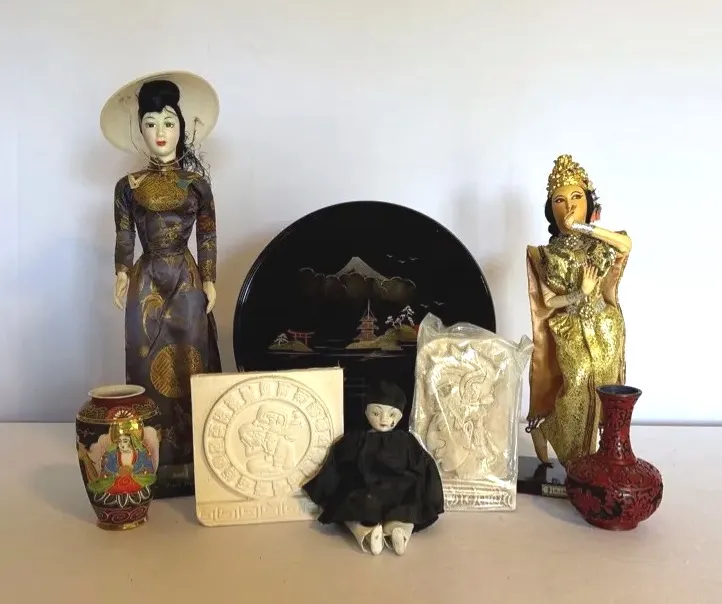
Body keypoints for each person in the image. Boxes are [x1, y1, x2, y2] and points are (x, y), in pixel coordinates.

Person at [100, 72, 222, 497]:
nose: (160, 132)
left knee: (192, 361)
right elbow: (124, 236)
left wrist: (209, 279)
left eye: (168, 122)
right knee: (144, 364)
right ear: (140, 129)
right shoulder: (128, 187)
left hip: (187, 281)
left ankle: (198, 463)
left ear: (181, 127)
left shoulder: (196, 185)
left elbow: (207, 235)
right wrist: (121, 272)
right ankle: (150, 462)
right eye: (150, 123)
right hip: (146, 281)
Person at [526, 154, 632, 467]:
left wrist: (584, 228)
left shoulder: (599, 243)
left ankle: (601, 454)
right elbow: (548, 302)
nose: (569, 207)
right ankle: (571, 453)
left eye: (577, 197)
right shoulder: (546, 254)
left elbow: (626, 245)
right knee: (576, 386)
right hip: (572, 328)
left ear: (588, 202)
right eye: (559, 201)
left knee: (605, 390)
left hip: (605, 326)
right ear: (551, 209)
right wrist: (579, 293)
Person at [303, 381, 444, 556]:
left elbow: (423, 464)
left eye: (391, 414)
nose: (384, 420)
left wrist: (325, 488)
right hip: (378, 489)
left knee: (379, 506)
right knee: (366, 505)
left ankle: (385, 532)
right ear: (366, 412)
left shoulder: (401, 440)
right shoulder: (361, 438)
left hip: (383, 490)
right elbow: (340, 460)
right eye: (377, 413)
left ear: (400, 416)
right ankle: (379, 532)